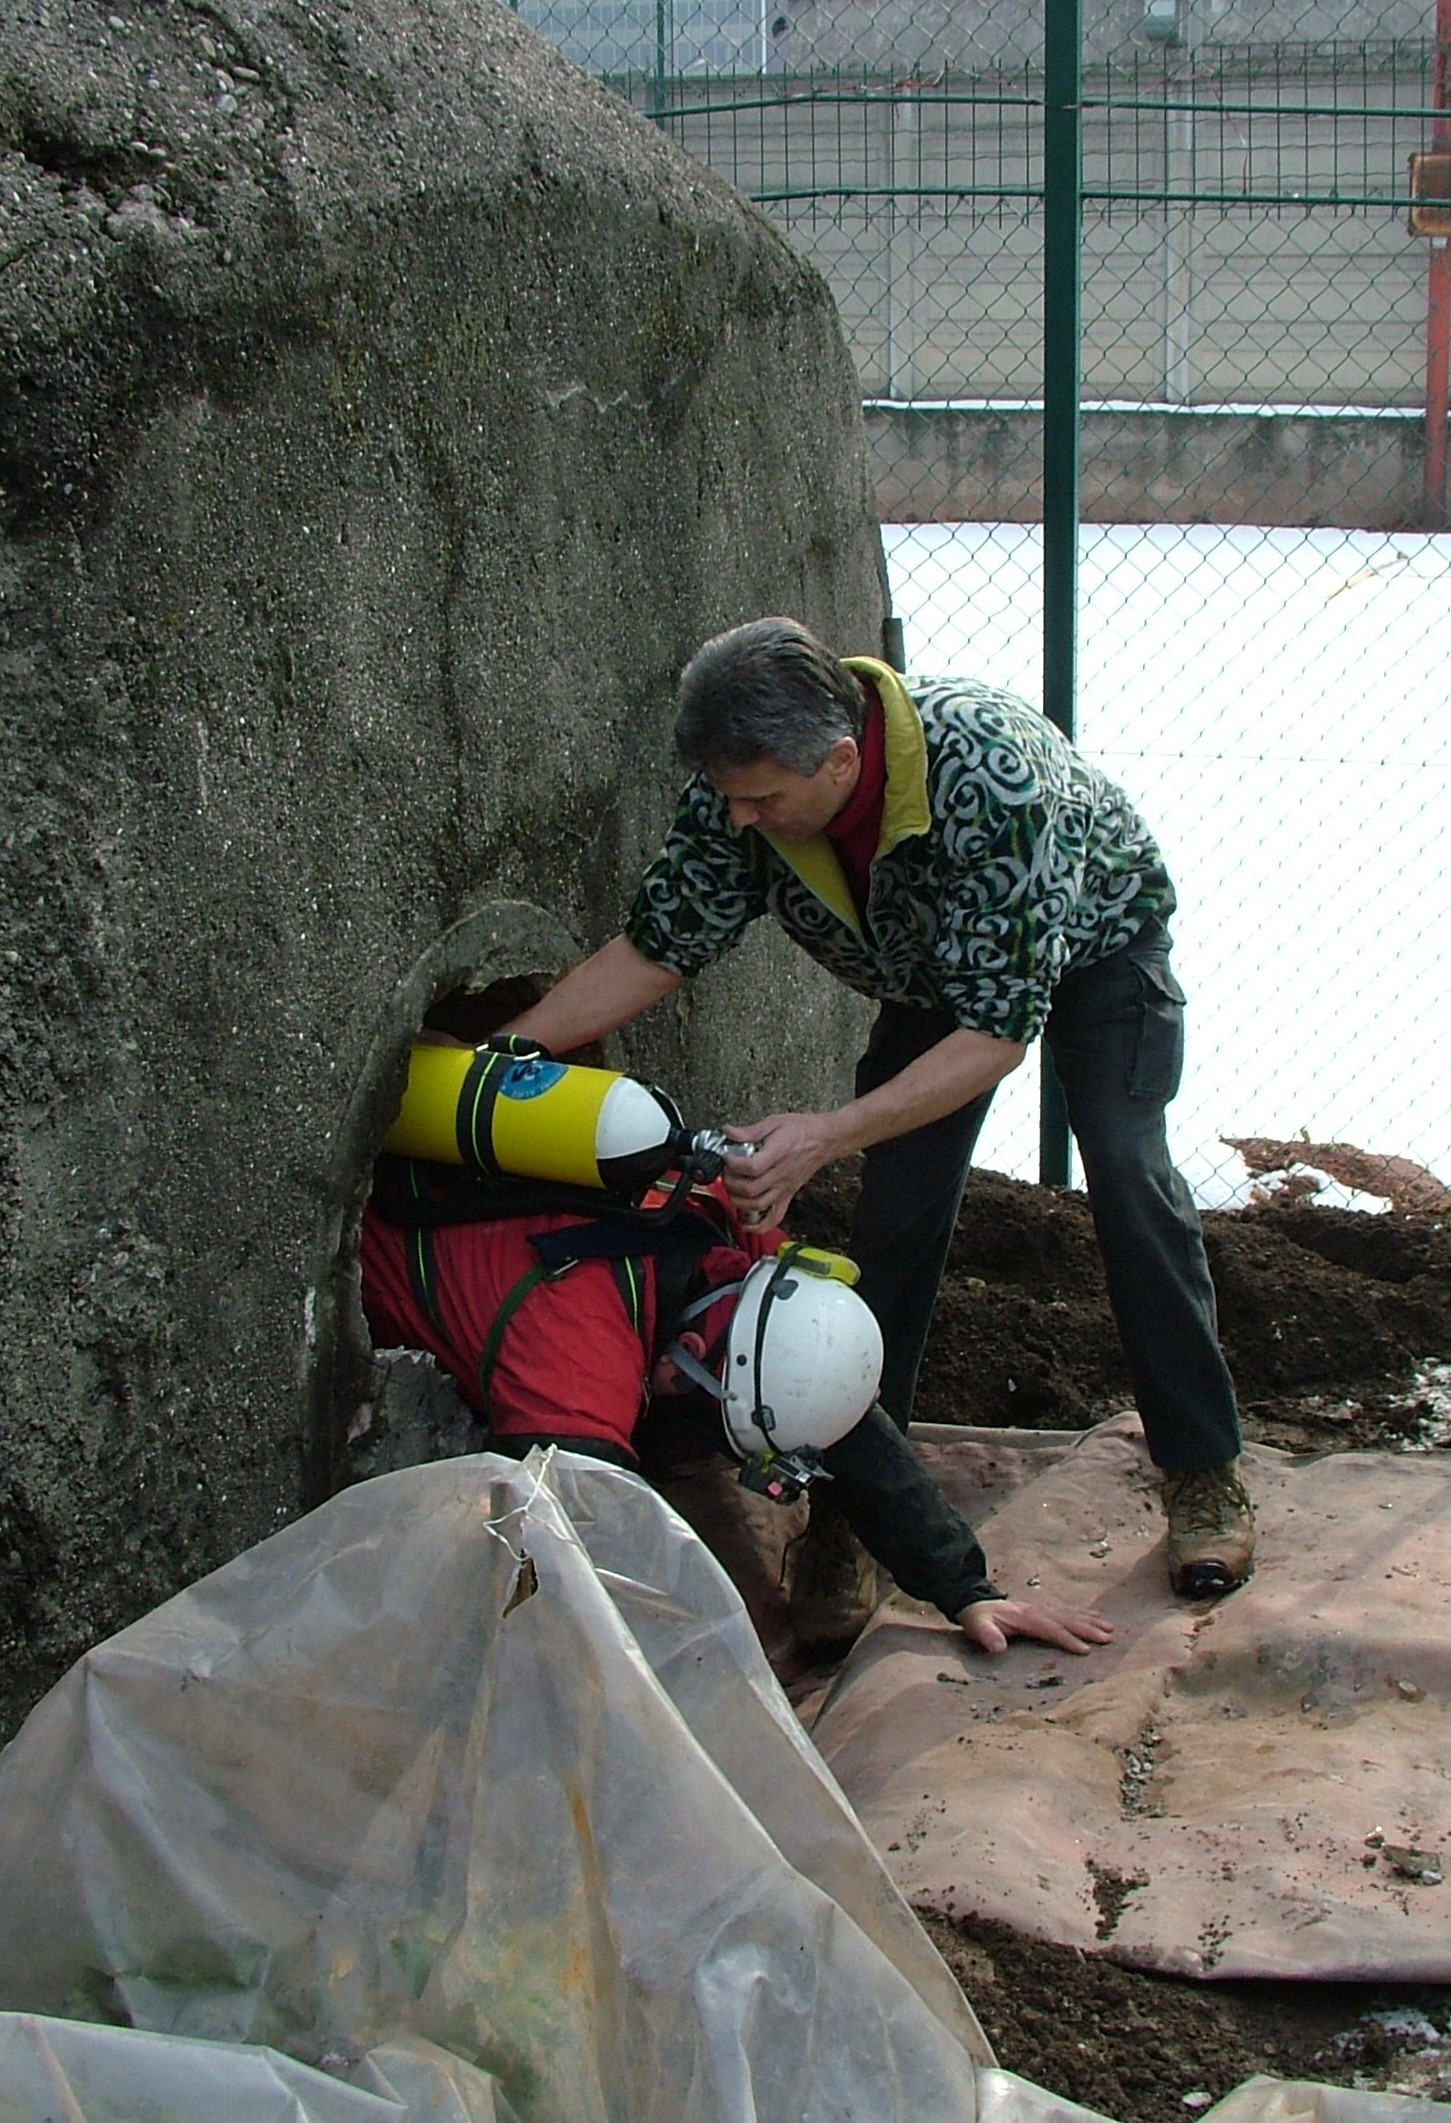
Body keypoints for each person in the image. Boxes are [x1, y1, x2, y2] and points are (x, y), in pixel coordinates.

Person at [500, 617, 1255, 1607]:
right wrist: (504, 1053)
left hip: (1097, 959)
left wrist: (823, 1131)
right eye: (728, 798)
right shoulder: (745, 791)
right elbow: (658, 946)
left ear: (842, 759)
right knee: (891, 1221)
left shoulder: (993, 776)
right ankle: (856, 1518)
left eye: (761, 799)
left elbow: (996, 1032)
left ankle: (1200, 1471)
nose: (738, 820)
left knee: (1124, 1172)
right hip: (934, 980)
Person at [360, 1154, 1113, 1660]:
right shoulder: (579, 1358)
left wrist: (965, 1588)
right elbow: (556, 1564)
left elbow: (832, 1407)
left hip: (604, 1314)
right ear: (687, 1343)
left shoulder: (741, 1236)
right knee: (705, 1647)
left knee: (738, 1623)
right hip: (391, 1257)